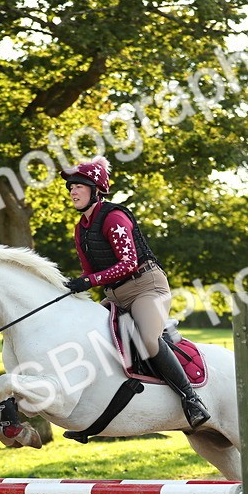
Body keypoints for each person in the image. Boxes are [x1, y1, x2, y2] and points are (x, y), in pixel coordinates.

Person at [60, 156, 210, 430]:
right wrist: (68, 285)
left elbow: (128, 263)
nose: (72, 191)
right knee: (86, 336)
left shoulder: (114, 217)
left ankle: (192, 400)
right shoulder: (80, 229)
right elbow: (88, 271)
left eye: (78, 186)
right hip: (115, 296)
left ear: (96, 189)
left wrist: (90, 281)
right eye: (70, 187)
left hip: (146, 287)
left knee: (148, 339)